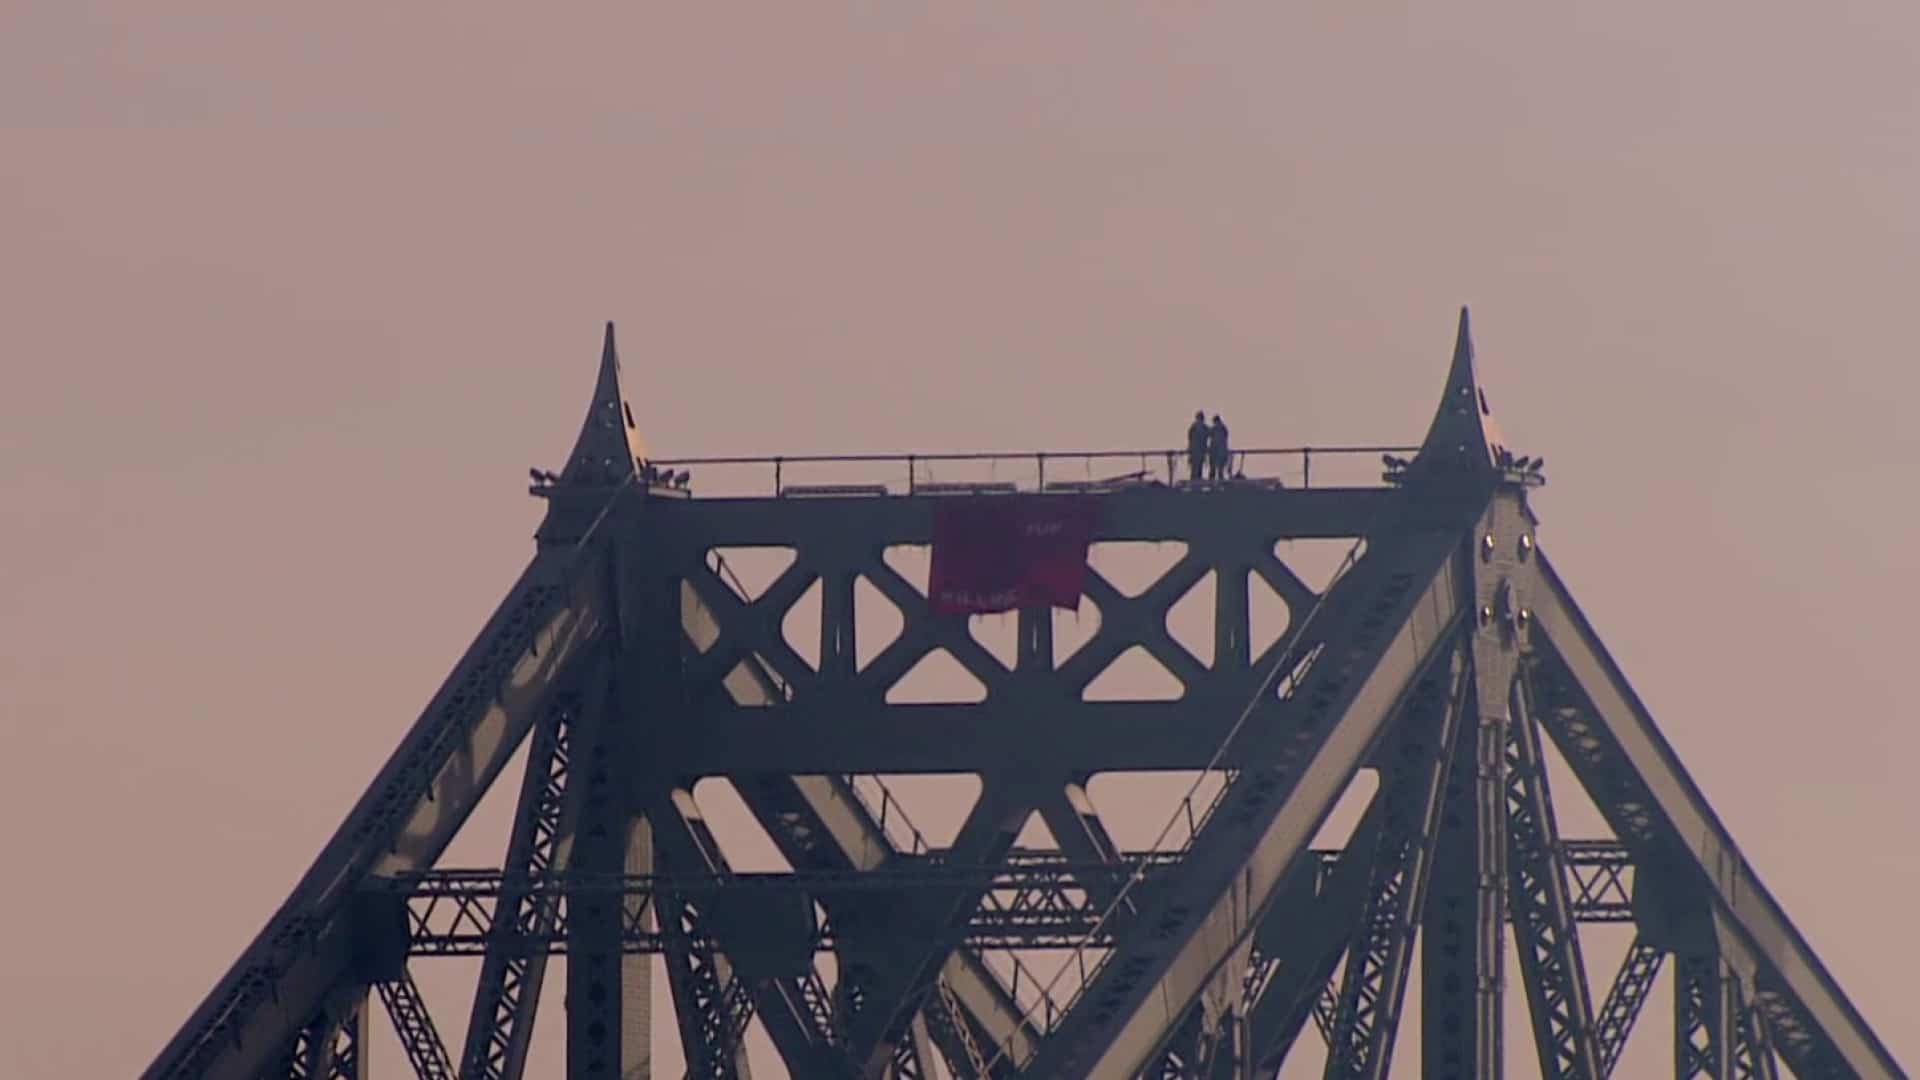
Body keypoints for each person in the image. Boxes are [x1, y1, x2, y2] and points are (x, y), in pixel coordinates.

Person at [1186, 411, 1208, 484]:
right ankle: (1197, 482)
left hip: (1195, 450)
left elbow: (1189, 438)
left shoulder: (1194, 427)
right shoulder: (1203, 427)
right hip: (1200, 450)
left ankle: (1194, 483)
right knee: (1198, 468)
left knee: (1195, 468)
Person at [1208, 414, 1230, 482]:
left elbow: (1210, 436)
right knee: (1220, 470)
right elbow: (1226, 436)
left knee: (1213, 470)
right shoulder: (1224, 428)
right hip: (1222, 451)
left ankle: (1212, 483)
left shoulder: (1213, 428)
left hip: (1215, 451)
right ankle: (1220, 482)